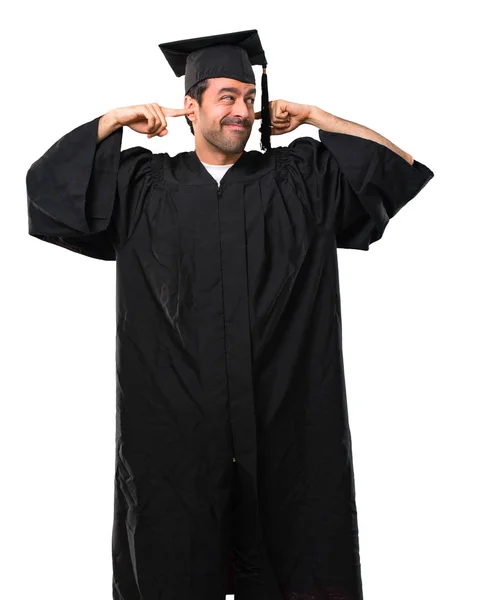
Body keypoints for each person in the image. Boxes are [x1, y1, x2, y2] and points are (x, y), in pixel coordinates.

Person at [26, 29, 434, 600]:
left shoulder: (300, 179)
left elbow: (398, 168)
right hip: (174, 442)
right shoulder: (142, 186)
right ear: (190, 108)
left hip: (288, 433)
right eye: (226, 97)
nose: (242, 110)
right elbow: (46, 192)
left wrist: (319, 115)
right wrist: (114, 120)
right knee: (172, 563)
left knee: (303, 560)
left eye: (249, 97)